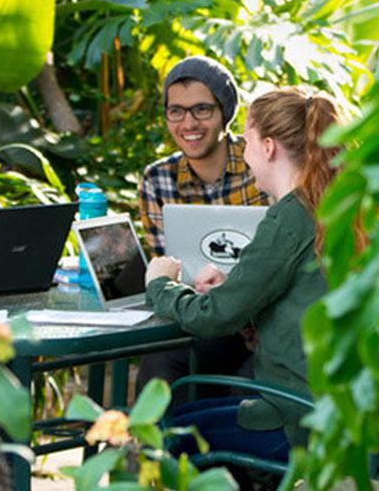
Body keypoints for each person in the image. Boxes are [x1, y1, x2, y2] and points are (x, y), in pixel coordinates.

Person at [145, 87, 354, 459]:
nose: (244, 153)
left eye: (248, 142)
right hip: (348, 413)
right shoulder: (337, 204)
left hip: (301, 418)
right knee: (195, 415)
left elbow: (214, 317)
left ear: (269, 147)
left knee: (168, 432)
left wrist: (160, 285)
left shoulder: (290, 217)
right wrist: (234, 288)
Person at [136, 56, 270, 406]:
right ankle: (154, 458)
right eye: (176, 111)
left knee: (244, 390)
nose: (188, 123)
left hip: (264, 327)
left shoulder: (263, 165)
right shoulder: (158, 180)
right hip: (203, 322)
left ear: (224, 112)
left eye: (201, 110)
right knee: (160, 364)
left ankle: (232, 459)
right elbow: (166, 268)